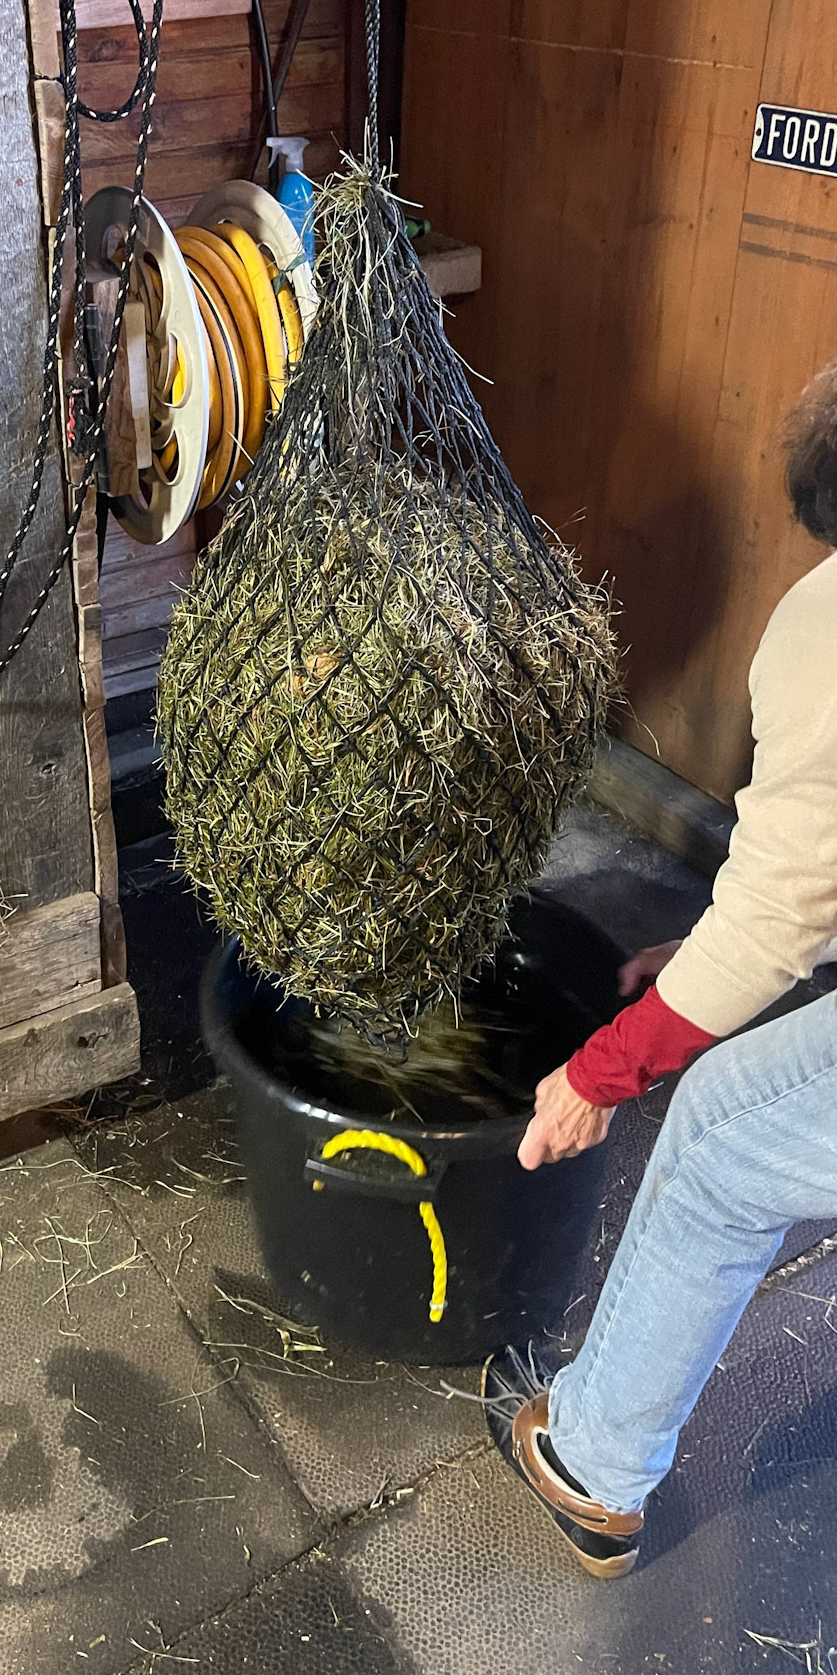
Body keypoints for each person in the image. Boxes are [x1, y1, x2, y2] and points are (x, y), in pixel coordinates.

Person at [483, 363, 837, 1579]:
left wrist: (600, 1071)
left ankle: (593, 1465)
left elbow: (788, 911)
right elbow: (810, 870)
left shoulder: (827, 628)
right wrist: (717, 937)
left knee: (722, 1140)